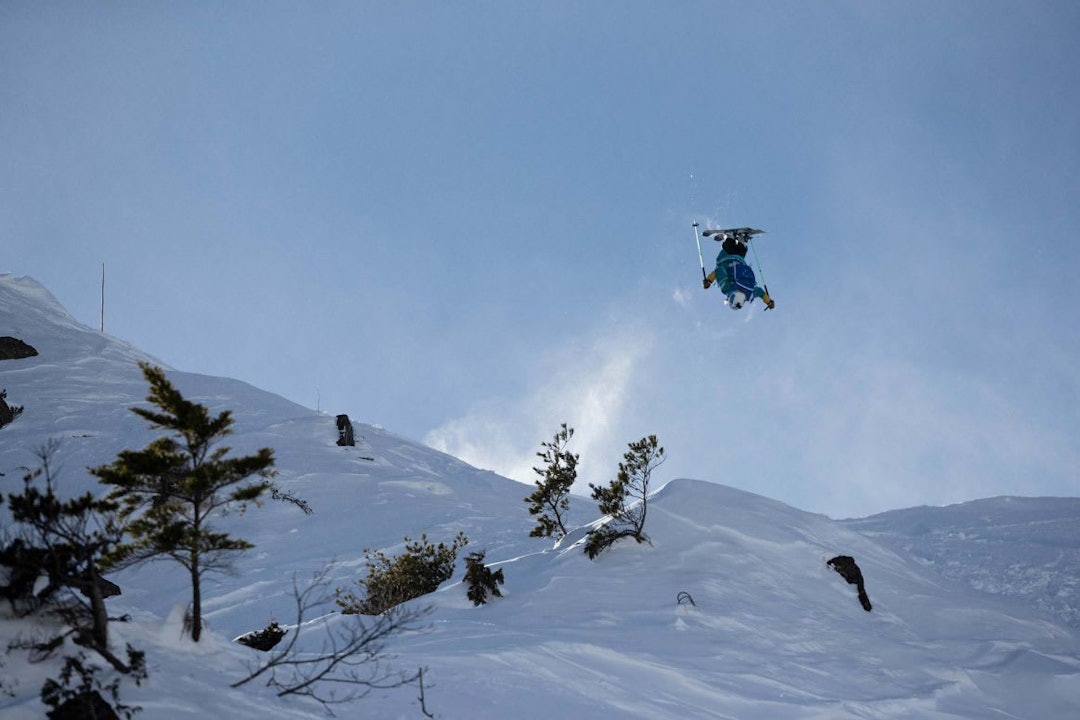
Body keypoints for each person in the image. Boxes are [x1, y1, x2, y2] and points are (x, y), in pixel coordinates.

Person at [702, 236, 775, 310]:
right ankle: (731, 237)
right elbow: (720, 270)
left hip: (740, 259)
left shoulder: (749, 294)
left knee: (739, 252)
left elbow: (760, 292)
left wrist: (768, 301)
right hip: (726, 259)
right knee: (728, 249)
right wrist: (709, 281)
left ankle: (741, 241)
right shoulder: (727, 289)